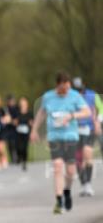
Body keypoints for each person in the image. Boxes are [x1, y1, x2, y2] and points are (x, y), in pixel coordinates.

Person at [30, 72, 91, 213]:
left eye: (68, 88)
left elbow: (87, 112)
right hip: (54, 136)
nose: (66, 91)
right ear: (58, 85)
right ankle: (59, 200)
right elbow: (41, 113)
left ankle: (67, 191)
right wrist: (34, 130)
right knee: (57, 165)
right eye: (63, 89)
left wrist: (72, 115)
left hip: (70, 137)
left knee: (70, 171)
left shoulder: (75, 96)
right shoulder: (48, 97)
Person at [72, 77, 100, 196]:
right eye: (77, 90)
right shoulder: (70, 97)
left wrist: (98, 121)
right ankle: (83, 184)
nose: (79, 93)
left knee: (87, 154)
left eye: (81, 90)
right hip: (75, 130)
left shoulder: (92, 95)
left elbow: (101, 109)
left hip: (89, 129)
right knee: (78, 158)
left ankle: (88, 184)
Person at [13, 96, 33, 171]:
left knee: (25, 147)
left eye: (24, 103)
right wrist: (15, 122)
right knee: (18, 147)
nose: (23, 105)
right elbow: (14, 121)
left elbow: (32, 122)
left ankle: (24, 161)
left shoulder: (29, 113)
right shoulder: (17, 112)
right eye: (21, 103)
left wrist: (31, 124)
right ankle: (19, 157)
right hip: (18, 133)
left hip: (26, 133)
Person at [5, 94, 20, 164]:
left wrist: (11, 120)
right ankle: (12, 159)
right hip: (8, 130)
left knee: (16, 144)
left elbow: (17, 121)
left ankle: (18, 158)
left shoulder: (17, 108)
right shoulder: (6, 109)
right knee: (10, 145)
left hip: (16, 130)